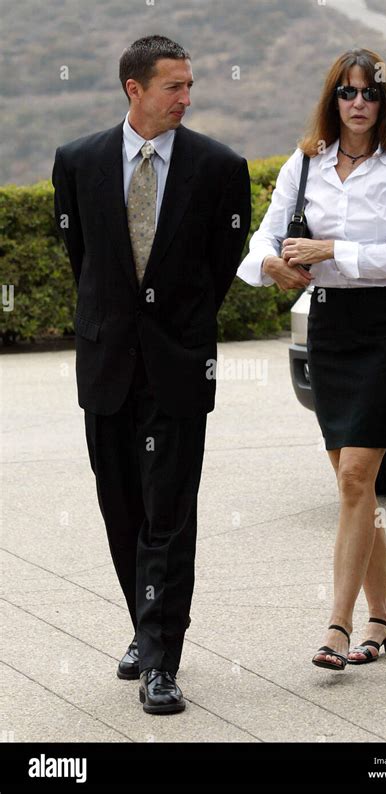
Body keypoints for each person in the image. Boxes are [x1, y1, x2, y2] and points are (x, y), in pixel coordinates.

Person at [52, 35, 251, 711]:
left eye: (190, 85)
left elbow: (222, 260)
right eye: (174, 87)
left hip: (177, 366)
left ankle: (163, 658)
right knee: (122, 511)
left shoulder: (220, 166)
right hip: (106, 362)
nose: (186, 99)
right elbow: (86, 260)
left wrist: (180, 328)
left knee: (169, 515)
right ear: (134, 89)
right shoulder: (77, 162)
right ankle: (145, 620)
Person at [238, 48, 386, 671]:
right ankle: (385, 617)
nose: (358, 103)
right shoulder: (306, 161)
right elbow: (263, 236)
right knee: (356, 485)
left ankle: (337, 626)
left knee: (355, 478)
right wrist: (268, 265)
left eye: (370, 93)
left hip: (384, 332)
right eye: (348, 93)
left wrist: (332, 249)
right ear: (333, 98)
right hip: (329, 330)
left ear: (385, 102)